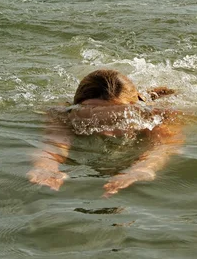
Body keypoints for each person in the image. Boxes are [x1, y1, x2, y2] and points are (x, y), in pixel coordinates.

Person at [28, 69, 184, 197]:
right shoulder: (63, 115)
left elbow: (164, 148)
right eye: (92, 114)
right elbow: (52, 146)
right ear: (75, 108)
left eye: (117, 117)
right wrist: (46, 168)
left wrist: (140, 170)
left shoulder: (155, 117)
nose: (106, 131)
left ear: (136, 109)